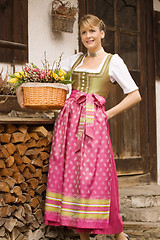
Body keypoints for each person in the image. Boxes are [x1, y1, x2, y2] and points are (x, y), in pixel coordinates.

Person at [17, 14, 141, 240]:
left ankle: (118, 234)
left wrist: (108, 114)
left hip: (94, 127)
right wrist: (24, 85)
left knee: (95, 177)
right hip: (68, 126)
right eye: (84, 32)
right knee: (72, 176)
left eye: (92, 31)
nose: (88, 36)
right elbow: (53, 84)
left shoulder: (113, 61)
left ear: (102, 33)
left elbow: (135, 95)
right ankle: (84, 236)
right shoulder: (73, 60)